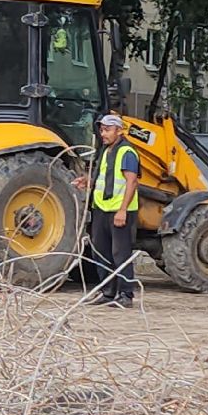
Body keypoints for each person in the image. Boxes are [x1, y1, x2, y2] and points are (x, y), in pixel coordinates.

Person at [74, 113, 141, 306]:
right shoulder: (105, 151)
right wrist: (88, 182)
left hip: (118, 211)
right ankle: (108, 292)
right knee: (101, 253)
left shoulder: (127, 152)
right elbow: (105, 178)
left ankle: (126, 295)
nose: (103, 133)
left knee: (120, 253)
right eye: (102, 129)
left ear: (119, 131)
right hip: (101, 209)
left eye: (108, 130)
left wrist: (122, 211)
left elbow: (132, 182)